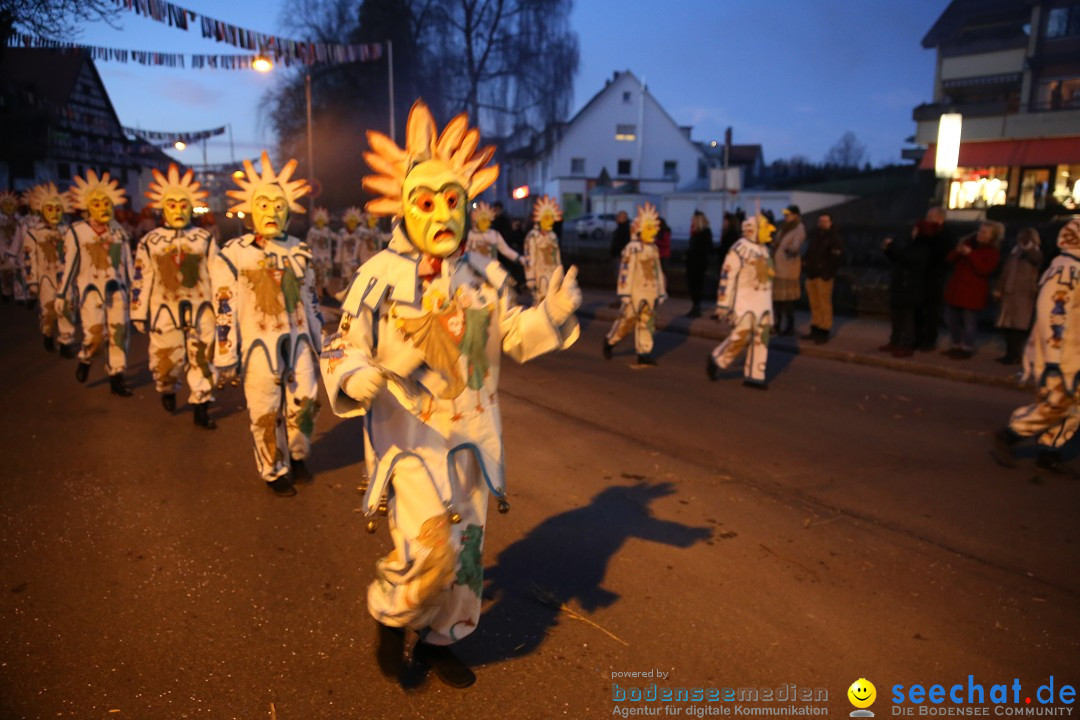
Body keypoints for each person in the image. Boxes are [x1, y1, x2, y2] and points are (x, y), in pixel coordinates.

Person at [320, 100, 581, 689]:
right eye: (427, 201)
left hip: (472, 439)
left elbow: (511, 335)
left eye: (453, 200)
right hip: (411, 442)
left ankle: (443, 640)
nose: (442, 213)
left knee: (467, 549)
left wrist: (552, 315)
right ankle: (393, 615)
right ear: (405, 208)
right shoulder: (378, 276)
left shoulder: (486, 276)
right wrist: (353, 372)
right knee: (430, 544)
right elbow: (342, 344)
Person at [210, 151, 323, 495]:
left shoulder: (300, 251)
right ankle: (274, 469)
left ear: (289, 211)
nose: (271, 211)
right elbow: (224, 307)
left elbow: (311, 300)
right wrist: (226, 353)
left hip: (299, 340)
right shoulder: (233, 253)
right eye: (264, 204)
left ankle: (298, 453)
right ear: (250, 210)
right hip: (259, 345)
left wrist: (325, 345)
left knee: (306, 400)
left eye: (279, 205)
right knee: (264, 408)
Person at [130, 164, 219, 428]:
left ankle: (201, 403)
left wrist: (223, 310)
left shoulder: (205, 239)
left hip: (201, 309)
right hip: (164, 310)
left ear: (191, 207)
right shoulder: (150, 241)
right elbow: (141, 278)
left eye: (183, 205)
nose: (178, 210)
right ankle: (167, 387)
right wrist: (137, 311)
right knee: (165, 361)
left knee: (202, 358)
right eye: (172, 205)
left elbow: (218, 276)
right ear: (163, 208)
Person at [993, 219, 1080, 475]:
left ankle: (1050, 451)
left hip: (1073, 352)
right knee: (1057, 402)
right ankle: (1010, 434)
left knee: (1074, 407)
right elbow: (1052, 314)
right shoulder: (1065, 271)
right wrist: (1053, 359)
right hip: (1061, 354)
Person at [60, 170, 134, 396]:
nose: (103, 208)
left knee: (119, 333)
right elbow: (70, 266)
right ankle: (86, 358)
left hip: (117, 291)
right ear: (87, 207)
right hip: (90, 292)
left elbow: (127, 263)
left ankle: (116, 375)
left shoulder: (119, 231)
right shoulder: (77, 232)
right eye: (97, 204)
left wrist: (135, 293)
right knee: (94, 335)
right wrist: (63, 295)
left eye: (106, 203)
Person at [706, 214, 775, 389]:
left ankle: (755, 374)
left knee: (762, 338)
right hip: (744, 301)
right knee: (741, 335)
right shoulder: (738, 248)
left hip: (763, 303)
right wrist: (723, 304)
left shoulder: (765, 250)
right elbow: (727, 277)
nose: (770, 231)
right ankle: (718, 359)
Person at [603, 202, 667, 366]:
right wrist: (624, 293)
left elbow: (657, 271)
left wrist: (661, 291)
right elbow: (625, 272)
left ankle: (644, 351)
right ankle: (611, 341)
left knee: (647, 322)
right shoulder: (632, 248)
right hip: (634, 292)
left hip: (650, 292)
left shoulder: (653, 248)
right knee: (627, 321)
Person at [23, 183, 77, 355]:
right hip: (45, 276)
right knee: (48, 310)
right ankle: (47, 332)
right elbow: (28, 258)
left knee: (66, 308)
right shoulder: (34, 233)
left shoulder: (69, 231)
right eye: (50, 208)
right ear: (42, 210)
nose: (54, 212)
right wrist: (32, 281)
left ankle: (65, 342)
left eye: (57, 208)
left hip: (64, 277)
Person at [942, 221, 1002, 359]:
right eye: (980, 231)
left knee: (969, 321)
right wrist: (957, 251)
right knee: (951, 319)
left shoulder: (992, 252)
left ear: (992, 236)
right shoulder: (968, 242)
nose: (980, 235)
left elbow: (984, 269)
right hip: (957, 289)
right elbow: (950, 259)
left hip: (973, 291)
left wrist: (970, 254)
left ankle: (966, 348)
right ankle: (956, 345)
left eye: (984, 233)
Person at [880, 220, 934, 358]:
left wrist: (892, 246)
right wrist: (888, 251)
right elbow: (899, 259)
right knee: (897, 317)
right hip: (900, 285)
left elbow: (907, 258)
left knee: (907, 319)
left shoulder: (923, 246)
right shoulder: (911, 244)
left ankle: (906, 345)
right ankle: (895, 341)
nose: (913, 231)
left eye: (915, 229)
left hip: (911, 287)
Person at [994, 227, 1042, 365]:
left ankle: (1015, 355)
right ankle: (1009, 353)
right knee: (1007, 326)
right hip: (1009, 293)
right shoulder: (1015, 252)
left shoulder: (1035, 252)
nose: (1020, 240)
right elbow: (1005, 271)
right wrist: (999, 288)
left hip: (1024, 294)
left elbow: (1035, 259)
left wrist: (1027, 247)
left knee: (1017, 327)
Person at [801, 212, 844, 344]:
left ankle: (824, 330)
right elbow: (809, 252)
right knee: (814, 304)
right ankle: (815, 328)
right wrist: (805, 265)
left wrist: (827, 274)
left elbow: (836, 258)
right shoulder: (816, 235)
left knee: (824, 304)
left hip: (823, 276)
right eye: (821, 221)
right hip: (812, 274)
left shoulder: (834, 237)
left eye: (825, 221)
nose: (822, 223)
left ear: (831, 223)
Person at [916, 207, 952, 351]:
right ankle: (918, 338)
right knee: (920, 309)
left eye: (931, 218)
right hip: (922, 276)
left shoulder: (945, 234)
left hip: (936, 277)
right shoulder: (924, 233)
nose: (927, 220)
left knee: (932, 311)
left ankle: (930, 340)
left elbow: (943, 254)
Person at [772, 204, 805, 336]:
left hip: (788, 270)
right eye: (785, 214)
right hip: (777, 268)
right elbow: (777, 242)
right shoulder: (783, 228)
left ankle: (789, 327)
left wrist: (790, 250)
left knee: (787, 300)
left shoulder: (799, 228)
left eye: (788, 214)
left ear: (795, 215)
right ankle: (777, 324)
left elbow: (796, 246)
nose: (785, 216)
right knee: (777, 300)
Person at [524, 195, 563, 304]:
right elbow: (529, 259)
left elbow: (557, 257)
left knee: (554, 304)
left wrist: (561, 274)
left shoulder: (553, 236)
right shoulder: (533, 236)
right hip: (539, 277)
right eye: (547, 218)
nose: (550, 221)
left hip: (553, 275)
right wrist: (530, 278)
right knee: (540, 304)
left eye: (552, 218)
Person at [685, 210, 712, 318]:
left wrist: (694, 252)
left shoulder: (705, 232)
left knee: (697, 285)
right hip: (692, 262)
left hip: (698, 263)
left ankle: (697, 307)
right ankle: (695, 306)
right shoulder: (695, 232)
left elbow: (705, 248)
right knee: (692, 285)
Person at [306, 207, 336, 300]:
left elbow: (336, 237)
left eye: (322, 221)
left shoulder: (327, 231)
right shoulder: (312, 232)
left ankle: (324, 291)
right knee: (318, 277)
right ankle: (316, 294)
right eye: (319, 221)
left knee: (326, 276)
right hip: (317, 258)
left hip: (326, 258)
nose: (320, 223)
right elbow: (309, 244)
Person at [0, 190, 21, 303]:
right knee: (4, 271)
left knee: (16, 270)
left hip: (15, 246)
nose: (8, 207)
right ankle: (6, 292)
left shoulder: (18, 218)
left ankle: (17, 292)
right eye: (5, 204)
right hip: (2, 247)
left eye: (10, 204)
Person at [336, 207, 365, 281]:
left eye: (354, 222)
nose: (352, 224)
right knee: (345, 281)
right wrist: (337, 260)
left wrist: (362, 261)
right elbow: (339, 248)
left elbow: (361, 249)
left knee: (354, 281)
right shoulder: (342, 233)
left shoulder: (359, 234)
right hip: (345, 262)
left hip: (355, 263)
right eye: (351, 222)